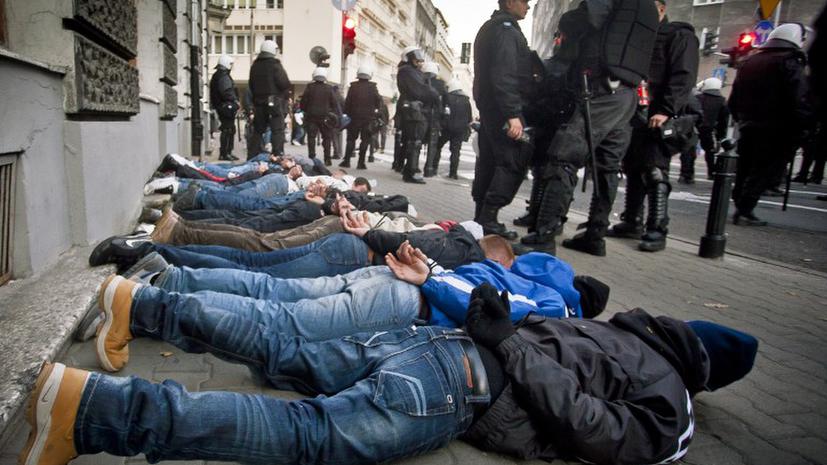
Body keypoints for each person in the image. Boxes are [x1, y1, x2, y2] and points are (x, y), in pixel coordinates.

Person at [22, 274, 757, 465]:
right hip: (454, 383)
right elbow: (599, 433)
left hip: (426, 348)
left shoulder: (612, 330)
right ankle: (94, 412)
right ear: (703, 373)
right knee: (306, 432)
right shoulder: (668, 395)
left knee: (281, 347)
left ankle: (143, 305)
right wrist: (512, 344)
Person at [520, 0, 659, 255]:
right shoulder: (647, 7)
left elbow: (580, 21)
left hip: (599, 91)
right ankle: (595, 234)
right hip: (627, 96)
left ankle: (544, 235)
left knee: (563, 156)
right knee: (607, 166)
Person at [602, 0, 698, 253]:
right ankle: (632, 220)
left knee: (654, 170)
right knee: (633, 168)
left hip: (658, 114)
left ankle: (657, 227)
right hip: (635, 112)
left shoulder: (678, 35)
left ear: (662, 9)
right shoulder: (640, 37)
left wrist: (666, 110)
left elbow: (683, 75)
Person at [728, 23, 809, 226]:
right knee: (765, 169)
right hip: (778, 126)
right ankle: (745, 207)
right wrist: (804, 123)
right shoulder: (789, 62)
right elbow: (798, 96)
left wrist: (740, 117)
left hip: (749, 123)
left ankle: (739, 201)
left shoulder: (751, 61)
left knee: (745, 167)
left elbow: (734, 96)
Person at [472, 0, 535, 239]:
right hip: (502, 109)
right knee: (513, 160)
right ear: (510, 3)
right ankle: (488, 219)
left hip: (491, 107)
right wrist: (512, 114)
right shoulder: (506, 30)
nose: (527, 7)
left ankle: (481, 218)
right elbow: (504, 72)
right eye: (524, 2)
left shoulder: (492, 26)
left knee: (488, 160)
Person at [396, 45, 439, 184]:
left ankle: (410, 170)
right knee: (415, 141)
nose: (418, 62)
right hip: (414, 110)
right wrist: (434, 93)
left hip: (415, 110)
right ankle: (412, 171)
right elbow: (420, 90)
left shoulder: (410, 71)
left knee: (414, 141)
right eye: (416, 59)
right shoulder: (408, 71)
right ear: (409, 58)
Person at [248, 40, 291, 160]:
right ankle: (277, 155)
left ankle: (252, 154)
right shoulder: (275, 65)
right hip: (273, 101)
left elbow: (251, 84)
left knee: (258, 130)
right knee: (277, 129)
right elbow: (284, 83)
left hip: (259, 102)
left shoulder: (255, 66)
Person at [341, 64, 383, 169]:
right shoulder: (373, 87)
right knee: (365, 140)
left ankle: (346, 161)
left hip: (354, 118)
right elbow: (379, 102)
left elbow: (347, 102)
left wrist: (346, 113)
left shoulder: (353, 87)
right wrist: (376, 112)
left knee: (351, 139)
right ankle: (361, 163)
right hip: (368, 119)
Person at [301, 68, 341, 166]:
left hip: (311, 117)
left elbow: (303, 102)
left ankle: (312, 157)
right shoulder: (329, 88)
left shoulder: (309, 87)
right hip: (325, 117)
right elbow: (334, 103)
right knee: (326, 138)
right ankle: (327, 158)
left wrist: (306, 110)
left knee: (311, 137)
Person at [693, 77, 730, 181]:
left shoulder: (698, 98)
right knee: (710, 152)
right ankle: (711, 172)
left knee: (689, 150)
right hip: (710, 129)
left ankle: (686, 174)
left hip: (694, 127)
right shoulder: (722, 101)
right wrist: (720, 136)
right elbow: (724, 120)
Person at [437, 80, 474, 179]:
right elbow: (469, 117)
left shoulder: (447, 97)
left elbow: (441, 111)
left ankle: (433, 167)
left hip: (447, 128)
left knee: (437, 146)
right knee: (456, 151)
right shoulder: (466, 100)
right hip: (459, 130)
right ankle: (453, 173)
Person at [209, 55, 239, 161]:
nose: (231, 66)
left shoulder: (219, 75)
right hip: (225, 106)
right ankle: (225, 153)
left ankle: (227, 152)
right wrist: (235, 101)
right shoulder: (223, 76)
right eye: (230, 64)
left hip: (222, 106)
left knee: (229, 128)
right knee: (228, 129)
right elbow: (226, 91)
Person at [422, 62, 448, 177]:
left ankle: (410, 167)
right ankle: (429, 168)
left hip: (421, 116)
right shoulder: (441, 84)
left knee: (415, 142)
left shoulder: (420, 81)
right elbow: (446, 102)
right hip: (435, 118)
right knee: (432, 144)